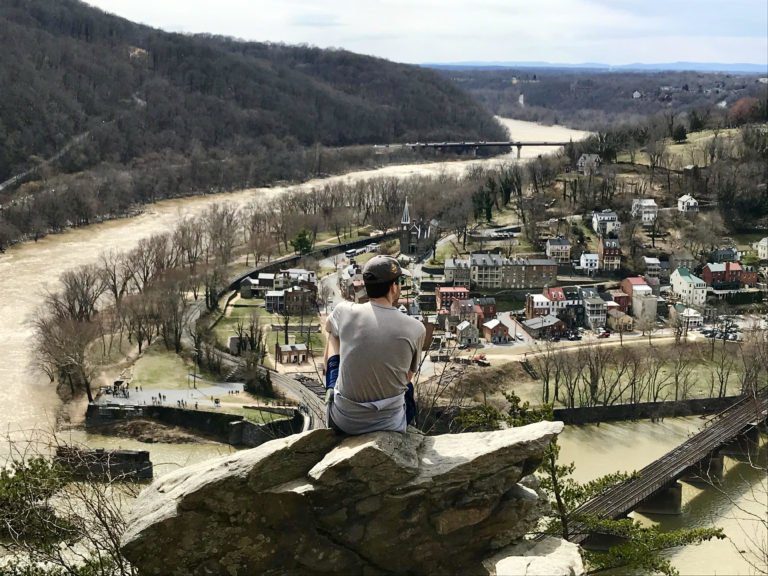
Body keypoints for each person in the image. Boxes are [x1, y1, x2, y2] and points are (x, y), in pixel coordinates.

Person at [324, 255, 426, 434]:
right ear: (394, 287)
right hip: (389, 426)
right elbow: (405, 379)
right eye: (399, 281)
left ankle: (331, 386)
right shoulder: (416, 328)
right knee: (407, 388)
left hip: (343, 421)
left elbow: (328, 328)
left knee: (334, 334)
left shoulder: (344, 311)